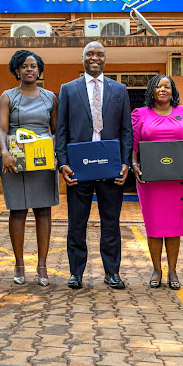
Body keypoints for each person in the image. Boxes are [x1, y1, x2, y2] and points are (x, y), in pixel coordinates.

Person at [56, 41, 133, 290]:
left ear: (105, 59)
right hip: (80, 168)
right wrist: (63, 164)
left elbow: (126, 132)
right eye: (90, 54)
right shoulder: (68, 89)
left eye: (100, 54)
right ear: (82, 58)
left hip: (110, 168)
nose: (95, 58)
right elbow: (62, 131)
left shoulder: (119, 90)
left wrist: (125, 164)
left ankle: (112, 273)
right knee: (76, 222)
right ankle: (76, 273)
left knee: (111, 222)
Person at [0, 50, 58, 287]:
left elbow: (55, 130)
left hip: (42, 161)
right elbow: (1, 129)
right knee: (18, 211)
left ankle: (42, 265)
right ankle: (19, 264)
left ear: (39, 70)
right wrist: (4, 153)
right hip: (16, 161)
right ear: (16, 70)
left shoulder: (50, 97)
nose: (29, 69)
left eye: (33, 66)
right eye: (24, 66)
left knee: (43, 211)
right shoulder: (8, 97)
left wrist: (55, 155)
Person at [131, 75, 183, 290]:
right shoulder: (140, 114)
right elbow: (133, 146)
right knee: (153, 226)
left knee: (173, 226)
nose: (163, 90)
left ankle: (173, 271)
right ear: (152, 90)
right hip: (151, 180)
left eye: (167, 86)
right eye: (158, 86)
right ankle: (156, 270)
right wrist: (134, 164)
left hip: (177, 179)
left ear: (172, 90)